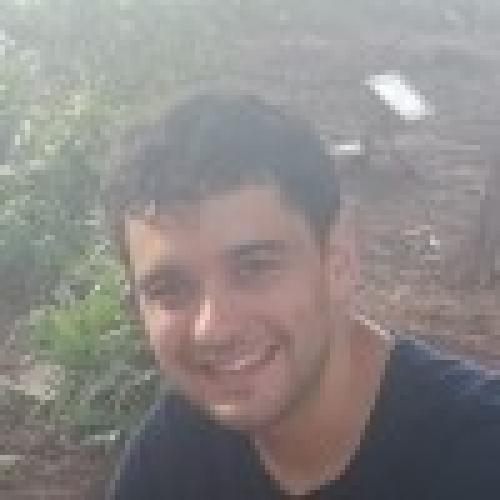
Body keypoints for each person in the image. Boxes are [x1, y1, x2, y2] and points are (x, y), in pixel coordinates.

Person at [102, 90, 500, 499]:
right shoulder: (175, 453)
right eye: (170, 289)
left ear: (339, 261)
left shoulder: (481, 456)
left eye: (254, 268)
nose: (213, 329)